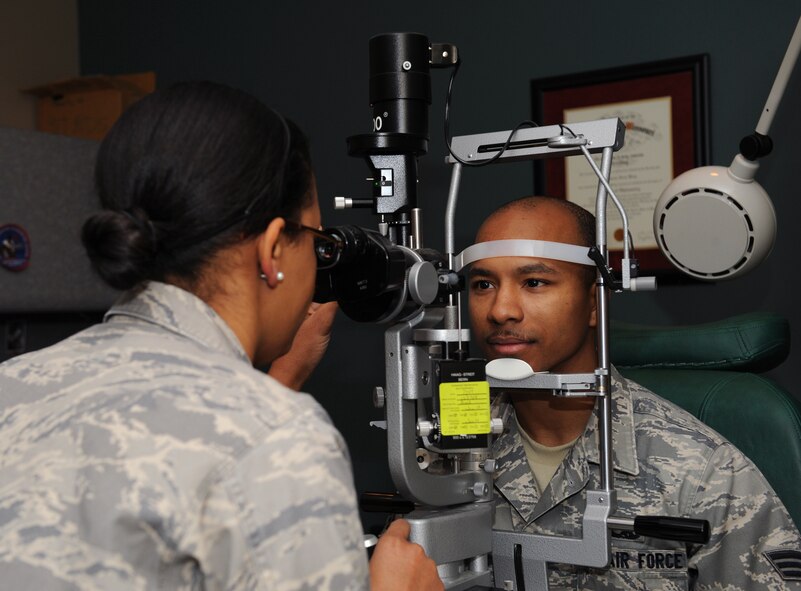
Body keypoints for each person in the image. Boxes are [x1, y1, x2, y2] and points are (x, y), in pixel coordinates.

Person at [0, 81, 442, 590]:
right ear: (275, 249)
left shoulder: (15, 381)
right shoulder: (279, 437)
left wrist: (278, 383)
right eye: (316, 241)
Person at [467, 195, 801, 590]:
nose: (501, 310)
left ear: (595, 303)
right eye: (483, 284)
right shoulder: (446, 448)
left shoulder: (704, 474)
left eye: (534, 282)